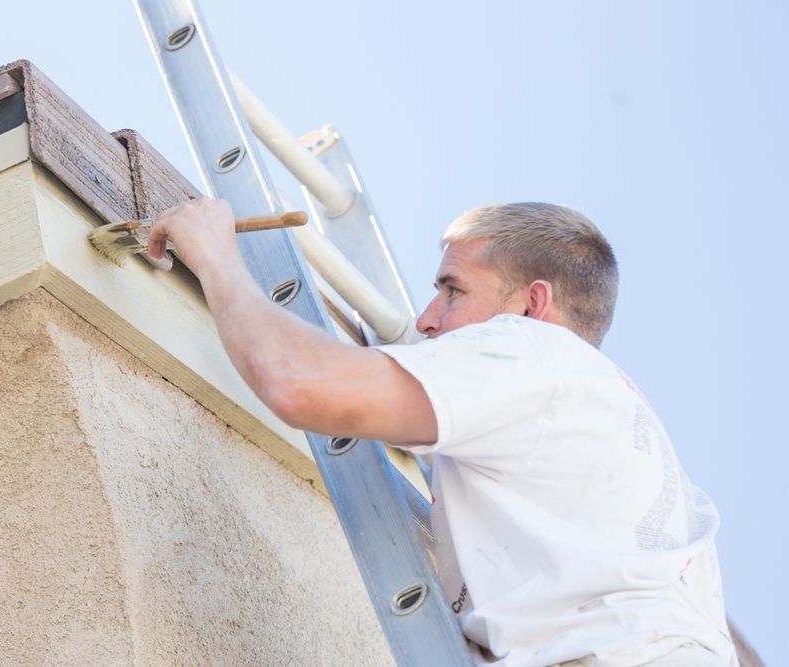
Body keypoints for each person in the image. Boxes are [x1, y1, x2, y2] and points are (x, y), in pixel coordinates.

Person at [147, 198, 737, 666]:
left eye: (453, 288)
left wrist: (216, 257)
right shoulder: (616, 435)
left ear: (532, 306)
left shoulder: (532, 351)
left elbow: (299, 384)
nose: (426, 319)